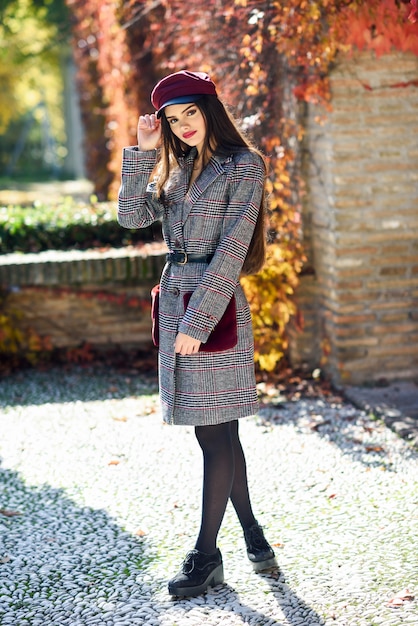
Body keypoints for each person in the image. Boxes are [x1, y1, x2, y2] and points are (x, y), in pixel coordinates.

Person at [118, 70, 277, 597]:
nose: (183, 125)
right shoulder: (174, 169)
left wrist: (199, 322)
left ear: (210, 108)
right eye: (171, 119)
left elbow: (233, 249)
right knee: (219, 431)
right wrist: (142, 154)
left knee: (213, 435)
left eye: (190, 112)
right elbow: (130, 217)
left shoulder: (243, 166)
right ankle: (255, 537)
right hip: (176, 297)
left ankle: (205, 556)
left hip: (212, 302)